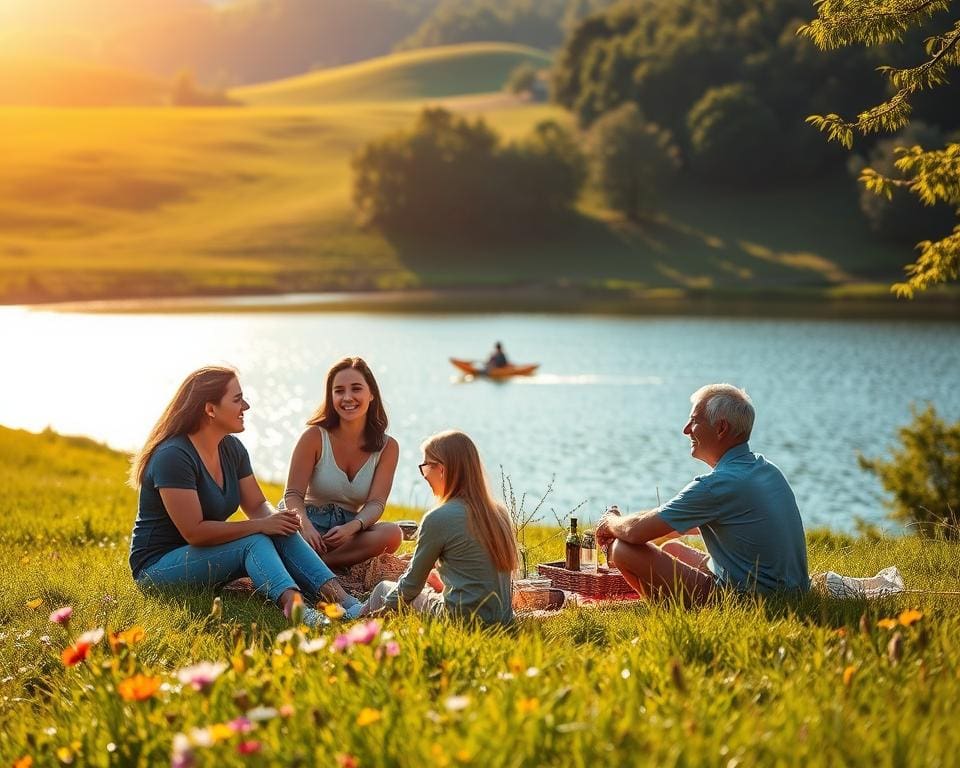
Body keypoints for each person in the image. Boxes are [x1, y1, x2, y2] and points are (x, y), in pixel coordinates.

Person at [128, 366, 363, 626]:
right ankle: (298, 611)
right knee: (255, 540)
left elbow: (257, 505)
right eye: (237, 399)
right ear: (210, 409)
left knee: (279, 528)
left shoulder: (231, 448)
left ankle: (348, 603)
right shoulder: (173, 456)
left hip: (202, 554)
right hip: (158, 568)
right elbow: (194, 532)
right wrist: (262, 525)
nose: (246, 406)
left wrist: (279, 520)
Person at [596, 383, 808, 604]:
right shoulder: (766, 469)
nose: (686, 429)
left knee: (622, 549)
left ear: (721, 428)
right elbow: (735, 523)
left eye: (695, 421)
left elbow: (634, 532)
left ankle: (667, 611)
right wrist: (664, 527)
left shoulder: (717, 485)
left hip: (747, 601)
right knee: (673, 549)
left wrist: (609, 521)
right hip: (793, 593)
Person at [364, 430, 516, 625]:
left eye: (426, 467)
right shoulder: (499, 513)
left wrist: (382, 611)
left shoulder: (439, 518)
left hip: (461, 621)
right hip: (502, 621)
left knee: (383, 588)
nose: (425, 476)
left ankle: (351, 618)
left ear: (442, 469)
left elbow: (411, 585)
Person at [281, 357, 402, 570]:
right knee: (282, 529)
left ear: (371, 393)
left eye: (356, 389)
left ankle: (313, 564)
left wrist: (352, 528)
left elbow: (376, 503)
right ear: (331, 397)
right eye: (339, 391)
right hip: (306, 522)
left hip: (347, 531)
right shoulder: (314, 437)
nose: (347, 398)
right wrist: (306, 527)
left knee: (392, 534)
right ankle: (308, 559)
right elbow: (292, 495)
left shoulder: (388, 447)